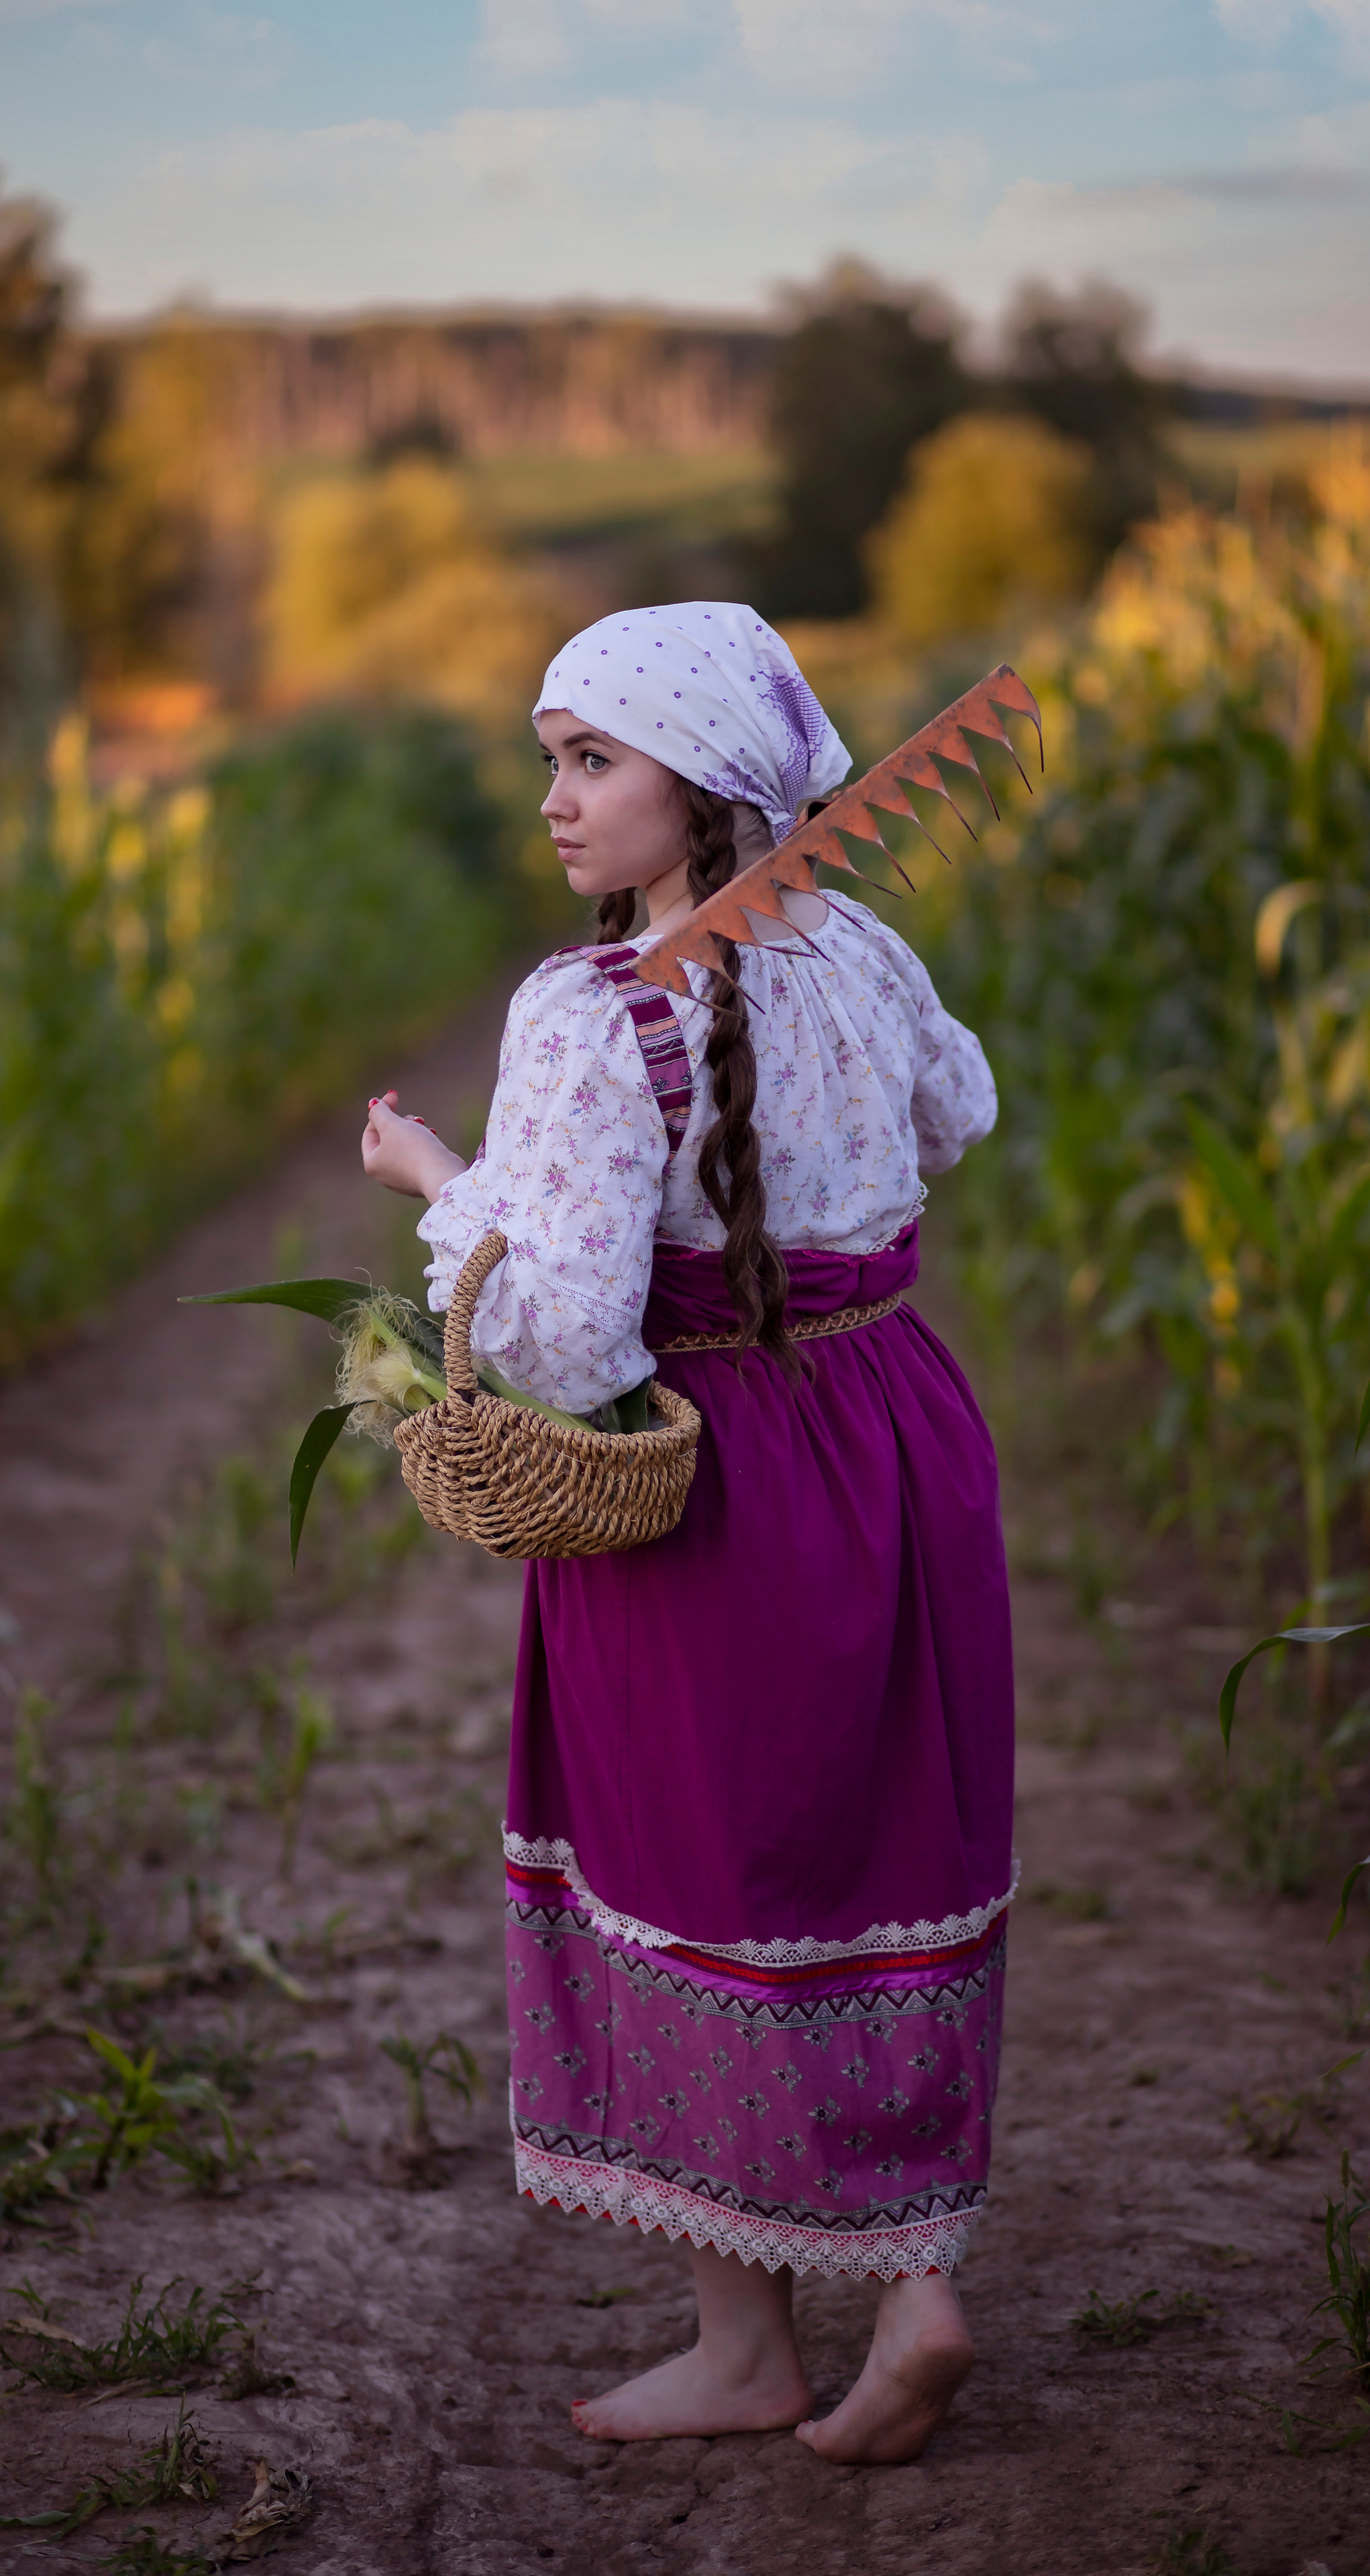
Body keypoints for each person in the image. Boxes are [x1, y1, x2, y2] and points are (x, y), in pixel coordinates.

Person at [362, 602, 1014, 2465]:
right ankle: (910, 2284)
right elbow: (957, 1113)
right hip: (893, 1436)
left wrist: (436, 1178)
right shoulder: (866, 950)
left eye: (593, 760)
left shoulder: (588, 1016)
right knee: (879, 1850)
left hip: (710, 1476)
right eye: (549, 759)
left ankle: (751, 2346)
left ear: (710, 786)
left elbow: (564, 1331)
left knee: (711, 1871)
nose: (554, 802)